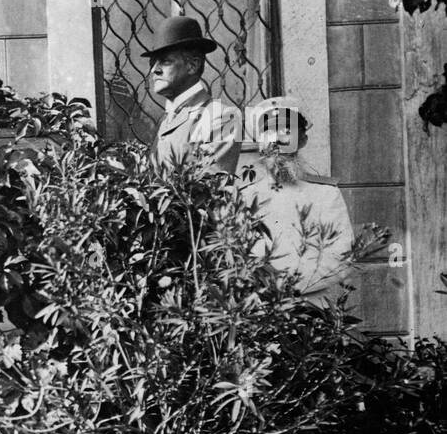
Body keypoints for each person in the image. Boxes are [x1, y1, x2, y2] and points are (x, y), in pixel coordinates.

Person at [239, 99, 355, 300]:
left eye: (286, 131)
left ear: (303, 140)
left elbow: (341, 256)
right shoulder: (245, 197)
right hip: (257, 308)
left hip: (310, 307)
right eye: (268, 132)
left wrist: (289, 286)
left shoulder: (325, 194)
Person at [141, 15, 239, 176]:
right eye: (153, 63)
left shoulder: (221, 116)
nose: (154, 70)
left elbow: (211, 190)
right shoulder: (167, 120)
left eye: (165, 61)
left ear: (193, 65)